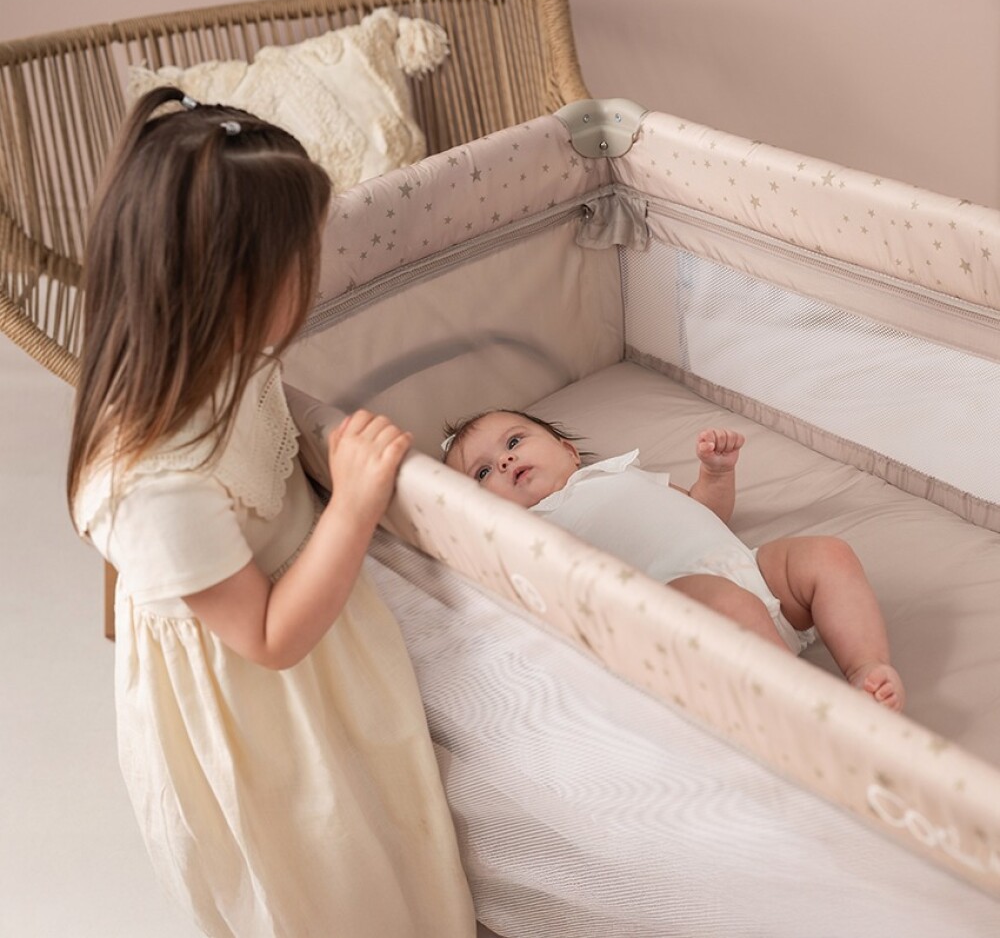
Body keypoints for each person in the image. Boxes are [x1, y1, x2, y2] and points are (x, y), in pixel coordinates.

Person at [67, 87, 475, 937]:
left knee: (391, 841)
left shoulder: (230, 354)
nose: (316, 278)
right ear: (232, 288)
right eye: (302, 264)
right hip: (263, 710)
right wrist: (354, 503)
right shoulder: (152, 482)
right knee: (325, 876)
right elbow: (269, 638)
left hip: (320, 642)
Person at [442, 409, 904, 711]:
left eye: (514, 442)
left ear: (568, 450)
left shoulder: (619, 472)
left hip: (745, 568)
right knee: (730, 604)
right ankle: (811, 712)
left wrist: (715, 474)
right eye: (482, 472)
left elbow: (703, 510)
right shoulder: (528, 530)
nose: (504, 462)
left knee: (828, 554)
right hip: (677, 608)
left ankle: (865, 668)